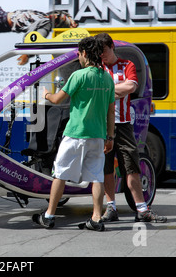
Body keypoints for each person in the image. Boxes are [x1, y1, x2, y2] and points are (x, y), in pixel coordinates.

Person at [32, 36, 115, 231]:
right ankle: (96, 217)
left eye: (79, 54)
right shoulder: (107, 78)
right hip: (98, 136)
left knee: (59, 174)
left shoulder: (79, 76)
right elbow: (111, 111)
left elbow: (57, 99)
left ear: (85, 53)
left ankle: (49, 216)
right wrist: (110, 137)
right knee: (97, 177)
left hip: (76, 134)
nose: (78, 57)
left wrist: (45, 94)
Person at [95, 32, 167, 223]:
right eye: (98, 52)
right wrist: (115, 90)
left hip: (124, 124)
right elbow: (98, 91)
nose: (101, 55)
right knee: (106, 168)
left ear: (112, 47)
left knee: (131, 166)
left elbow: (131, 87)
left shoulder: (127, 65)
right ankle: (111, 207)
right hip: (101, 125)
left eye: (104, 51)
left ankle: (142, 209)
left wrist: (104, 90)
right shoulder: (96, 67)